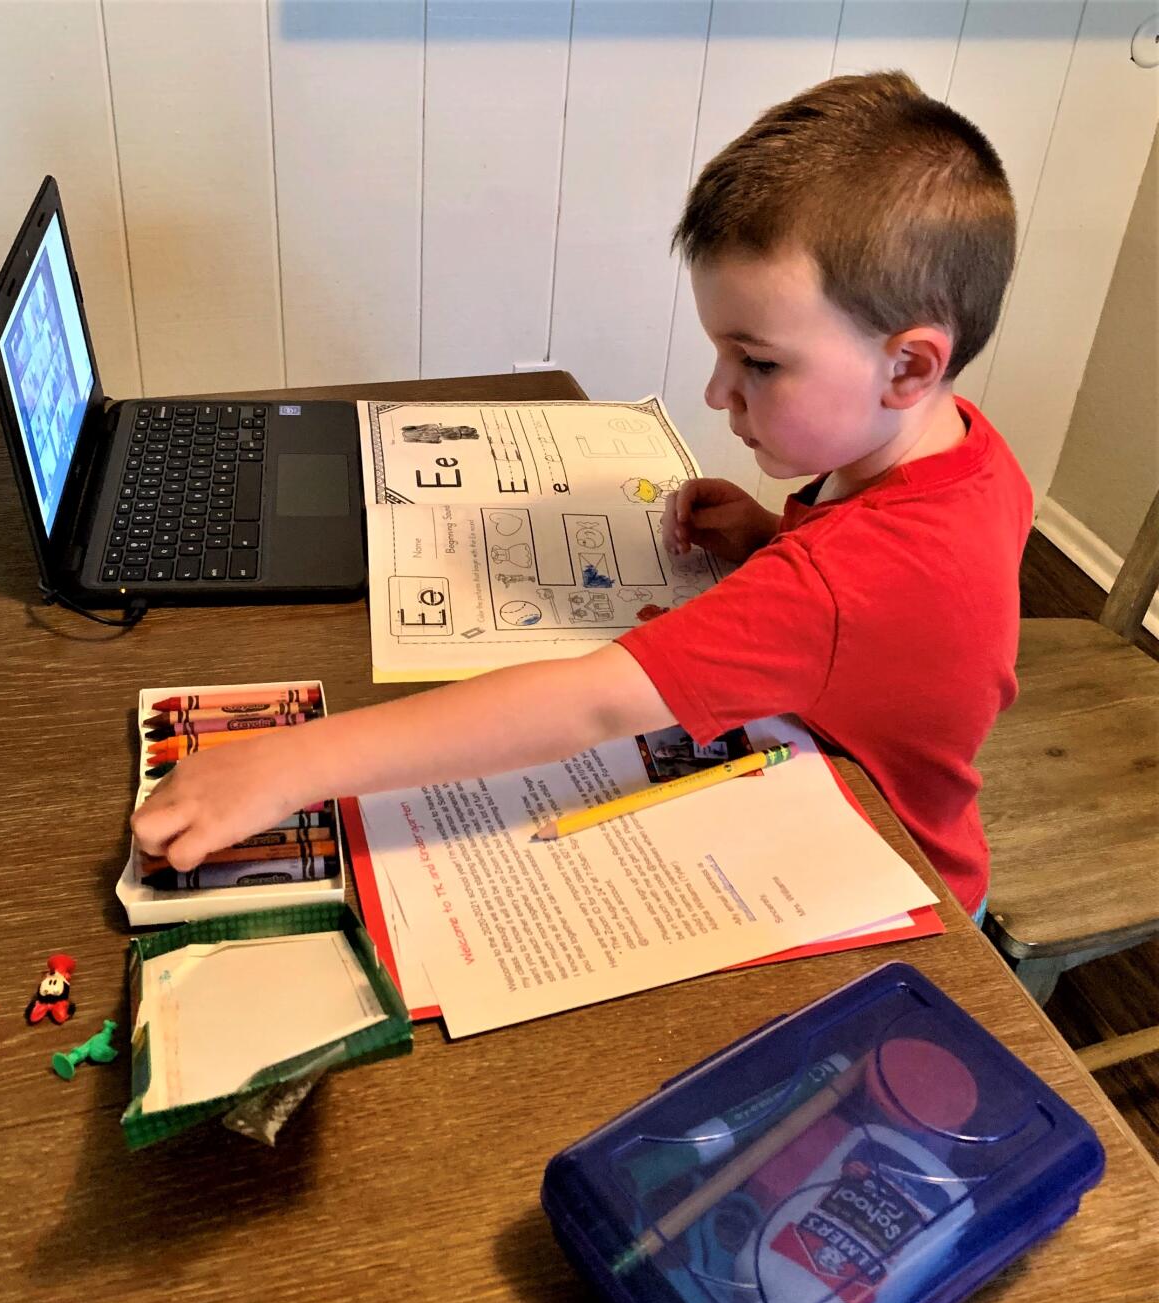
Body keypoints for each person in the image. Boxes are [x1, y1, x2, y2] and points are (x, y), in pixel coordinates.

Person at [133, 70, 1030, 920]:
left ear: (909, 365)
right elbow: (897, 627)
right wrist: (765, 537)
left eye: (758, 362)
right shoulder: (970, 452)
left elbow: (588, 703)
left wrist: (291, 763)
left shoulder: (839, 584)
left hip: (894, 884)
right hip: (896, 813)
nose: (718, 393)